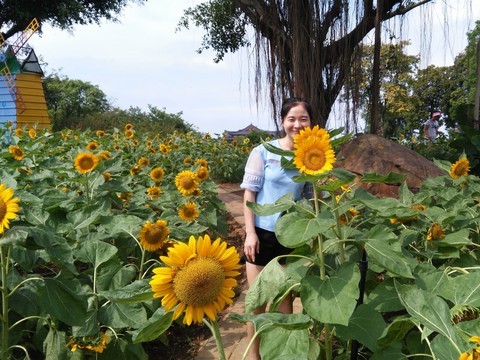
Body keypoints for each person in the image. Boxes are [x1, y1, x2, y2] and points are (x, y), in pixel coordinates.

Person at [240, 97, 312, 360]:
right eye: (292, 118)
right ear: (282, 121)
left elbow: (309, 197)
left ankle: (283, 355)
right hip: (261, 234)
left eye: (303, 118)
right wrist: (249, 233)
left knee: (285, 304)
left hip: (291, 234)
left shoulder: (310, 158)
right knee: (256, 303)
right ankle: (253, 356)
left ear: (311, 122)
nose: (297, 124)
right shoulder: (263, 152)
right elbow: (250, 195)